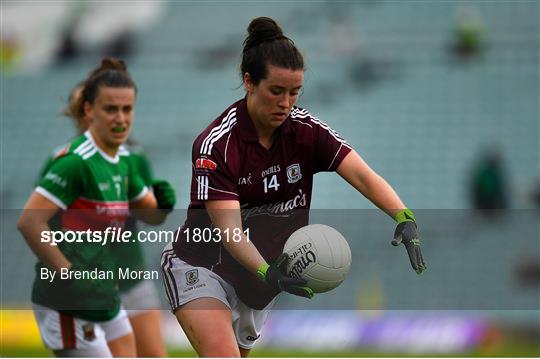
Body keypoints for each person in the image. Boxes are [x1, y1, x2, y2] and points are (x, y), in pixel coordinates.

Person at [161, 17, 426, 357]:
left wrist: (403, 216)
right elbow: (230, 232)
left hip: (260, 283)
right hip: (202, 266)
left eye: (295, 92)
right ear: (248, 82)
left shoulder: (307, 132)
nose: (286, 103)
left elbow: (362, 175)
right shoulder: (217, 145)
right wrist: (266, 271)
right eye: (276, 91)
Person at [17, 57, 176, 357]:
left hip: (110, 282)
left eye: (126, 109)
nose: (120, 118)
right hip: (71, 295)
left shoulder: (126, 160)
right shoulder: (72, 161)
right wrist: (69, 273)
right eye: (110, 109)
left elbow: (149, 212)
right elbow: (31, 222)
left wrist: (163, 206)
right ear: (88, 111)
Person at [58, 84, 169, 357]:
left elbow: (150, 214)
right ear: (81, 113)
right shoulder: (63, 160)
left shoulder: (134, 158)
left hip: (131, 276)